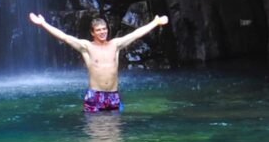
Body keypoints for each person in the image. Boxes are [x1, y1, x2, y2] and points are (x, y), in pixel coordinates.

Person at [28, 10, 169, 113]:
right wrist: (43, 24)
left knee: (114, 134)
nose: (102, 32)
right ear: (93, 33)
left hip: (113, 95)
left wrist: (155, 23)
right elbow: (65, 37)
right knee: (97, 134)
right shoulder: (86, 47)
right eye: (99, 30)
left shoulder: (116, 44)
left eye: (104, 29)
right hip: (95, 96)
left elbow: (135, 34)